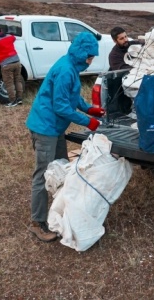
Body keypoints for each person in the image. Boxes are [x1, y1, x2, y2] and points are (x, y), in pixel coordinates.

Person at [25, 32, 106, 242]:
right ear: (81, 53)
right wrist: (88, 121)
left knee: (61, 167)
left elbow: (72, 96)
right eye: (90, 56)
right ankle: (37, 222)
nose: (91, 60)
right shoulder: (64, 70)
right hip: (45, 127)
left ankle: (59, 211)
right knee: (43, 174)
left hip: (55, 127)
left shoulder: (71, 67)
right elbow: (60, 105)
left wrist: (89, 109)